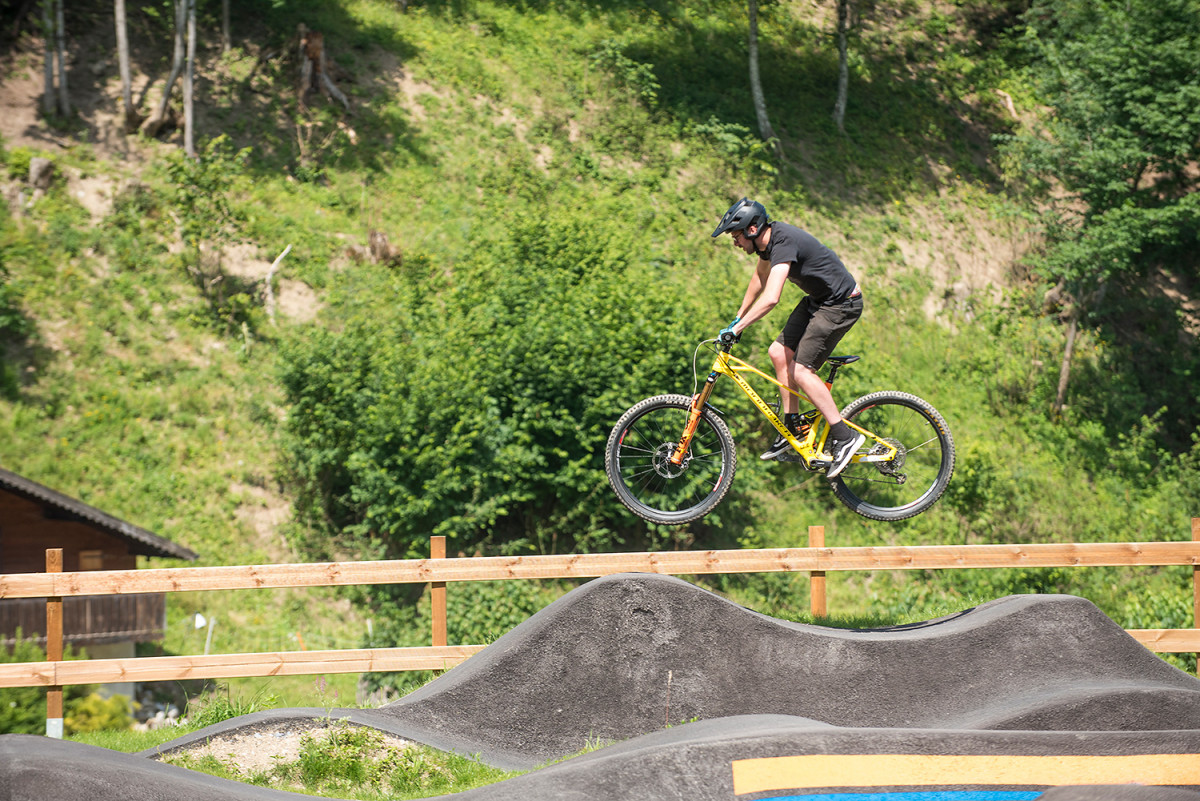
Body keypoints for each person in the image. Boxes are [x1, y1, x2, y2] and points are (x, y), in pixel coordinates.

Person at [711, 197, 865, 478]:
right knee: (778, 352)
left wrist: (738, 329)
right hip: (820, 300)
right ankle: (793, 427)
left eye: (736, 236)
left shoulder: (783, 242)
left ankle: (845, 437)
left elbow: (771, 297)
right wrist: (738, 317)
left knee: (801, 371)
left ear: (753, 229)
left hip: (841, 304)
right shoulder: (767, 246)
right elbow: (760, 279)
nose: (735, 243)